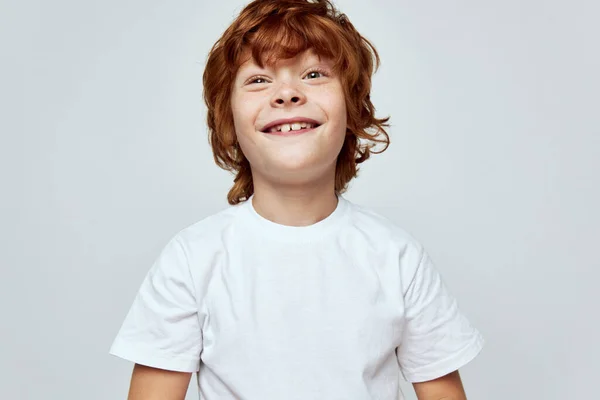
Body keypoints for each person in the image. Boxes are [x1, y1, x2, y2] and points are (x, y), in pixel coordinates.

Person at [109, 0, 484, 399]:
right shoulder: (192, 258)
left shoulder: (397, 258)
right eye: (258, 80)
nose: (287, 93)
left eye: (313, 74)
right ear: (228, 121)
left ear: (352, 109)